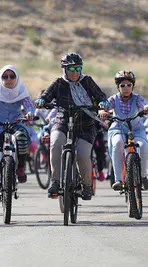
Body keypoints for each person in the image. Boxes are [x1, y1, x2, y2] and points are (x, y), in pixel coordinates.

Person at [36, 53, 108, 200]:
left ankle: (86, 185)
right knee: (55, 143)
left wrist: (102, 105)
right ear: (64, 69)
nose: (75, 72)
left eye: (78, 68)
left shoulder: (87, 81)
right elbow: (46, 96)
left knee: (82, 154)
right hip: (62, 120)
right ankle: (55, 181)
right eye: (71, 68)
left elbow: (101, 96)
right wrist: (41, 100)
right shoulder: (58, 82)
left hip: (86, 124)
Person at [0, 65, 34, 209]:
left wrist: (30, 114)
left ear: (16, 78)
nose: (8, 79)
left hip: (16, 123)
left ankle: (20, 168)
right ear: (0, 78)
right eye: (5, 76)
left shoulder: (21, 91)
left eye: (12, 76)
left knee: (22, 138)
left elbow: (29, 105)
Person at [99, 71, 148, 191]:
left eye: (129, 85)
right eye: (122, 85)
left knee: (143, 146)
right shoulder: (113, 99)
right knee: (117, 143)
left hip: (136, 129)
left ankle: (143, 176)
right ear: (118, 87)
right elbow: (105, 105)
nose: (126, 88)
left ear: (133, 86)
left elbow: (144, 104)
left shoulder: (137, 98)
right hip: (118, 128)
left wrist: (146, 108)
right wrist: (102, 111)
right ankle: (118, 179)